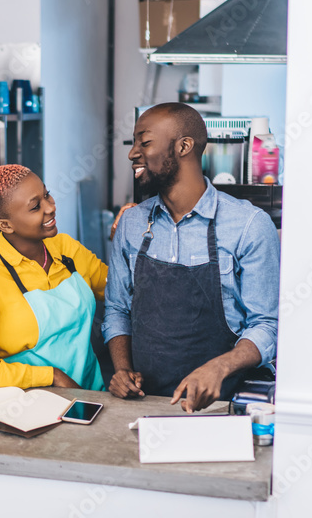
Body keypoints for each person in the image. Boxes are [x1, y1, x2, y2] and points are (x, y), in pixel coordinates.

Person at [103, 103, 280, 412]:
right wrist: (121, 369)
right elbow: (117, 310)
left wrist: (220, 367)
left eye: (144, 142)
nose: (132, 153)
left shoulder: (249, 225)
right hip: (144, 405)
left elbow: (267, 325)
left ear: (184, 146)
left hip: (225, 404)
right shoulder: (131, 224)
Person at [0, 164, 108, 390]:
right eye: (35, 207)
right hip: (30, 405)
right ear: (5, 225)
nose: (50, 207)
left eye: (47, 195)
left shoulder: (66, 249)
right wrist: (51, 376)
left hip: (92, 395)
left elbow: (121, 293)